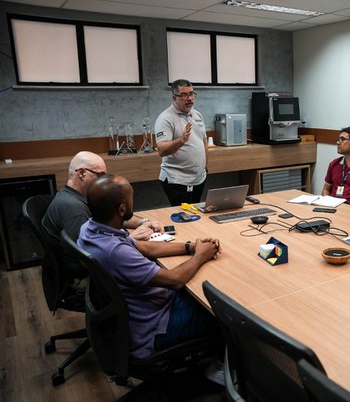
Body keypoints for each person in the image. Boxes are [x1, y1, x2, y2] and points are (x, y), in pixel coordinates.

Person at [78, 174, 223, 359]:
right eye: (131, 197)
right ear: (122, 209)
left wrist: (190, 247)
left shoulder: (90, 229)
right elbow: (175, 280)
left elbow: (143, 246)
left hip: (146, 308)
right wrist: (201, 256)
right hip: (155, 325)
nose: (133, 200)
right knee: (224, 314)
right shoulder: (115, 252)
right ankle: (217, 369)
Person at [42, 151, 161, 285]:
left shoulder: (76, 197)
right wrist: (130, 240)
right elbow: (90, 258)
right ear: (81, 173)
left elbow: (110, 215)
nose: (104, 182)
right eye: (100, 176)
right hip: (88, 279)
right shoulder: (75, 210)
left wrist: (143, 222)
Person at [155, 79, 208, 206]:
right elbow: (161, 150)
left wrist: (204, 168)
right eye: (184, 95)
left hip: (199, 178)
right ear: (174, 98)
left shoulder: (197, 115)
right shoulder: (165, 118)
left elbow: (204, 141)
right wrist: (181, 140)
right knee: (183, 220)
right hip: (177, 180)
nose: (189, 98)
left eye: (191, 94)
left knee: (196, 217)